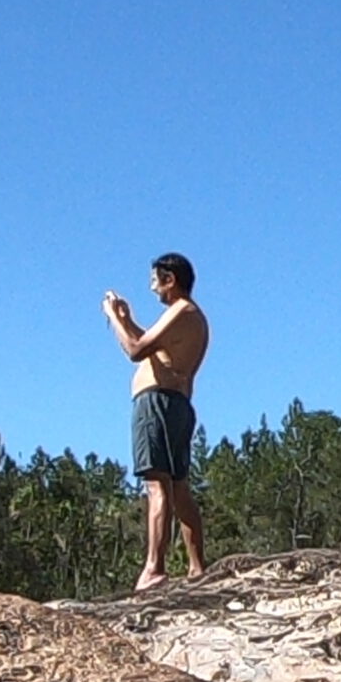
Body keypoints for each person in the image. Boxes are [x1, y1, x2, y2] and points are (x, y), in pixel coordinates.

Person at [104, 252, 210, 588]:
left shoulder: (181, 310)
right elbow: (156, 349)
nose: (152, 288)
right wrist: (128, 319)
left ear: (170, 279)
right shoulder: (191, 317)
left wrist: (113, 318)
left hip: (157, 403)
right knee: (178, 487)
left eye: (155, 281)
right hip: (175, 404)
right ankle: (197, 567)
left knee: (157, 484)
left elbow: (136, 350)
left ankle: (154, 569)